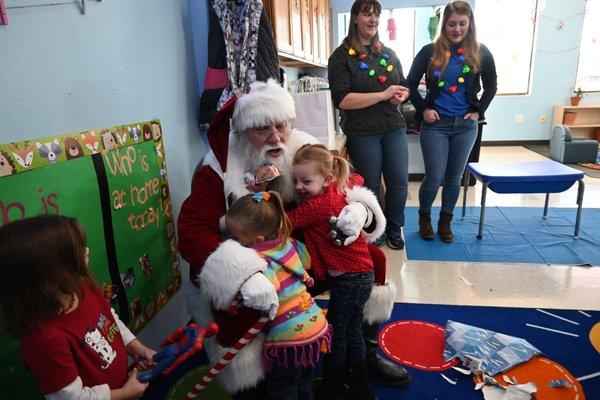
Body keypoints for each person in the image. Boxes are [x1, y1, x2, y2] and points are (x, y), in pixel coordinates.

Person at [178, 79, 407, 399]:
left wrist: (360, 210)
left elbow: (345, 177)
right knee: (240, 301)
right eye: (262, 129)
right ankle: (250, 377)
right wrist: (243, 273)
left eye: (281, 126)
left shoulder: (300, 145)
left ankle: (361, 355)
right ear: (242, 133)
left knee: (375, 260)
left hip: (302, 253)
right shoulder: (219, 168)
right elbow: (191, 233)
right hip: (254, 261)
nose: (275, 137)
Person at [0, 215, 156, 400]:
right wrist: (125, 393)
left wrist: (136, 347)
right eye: (77, 253)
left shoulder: (83, 287)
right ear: (47, 279)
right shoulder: (44, 340)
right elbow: (72, 398)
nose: (87, 251)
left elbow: (109, 320)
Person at [287, 144, 384, 399]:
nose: (298, 187)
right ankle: (361, 387)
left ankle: (333, 387)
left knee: (337, 332)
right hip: (360, 275)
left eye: (305, 181)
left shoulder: (319, 204)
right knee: (352, 331)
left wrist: (261, 201)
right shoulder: (334, 188)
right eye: (294, 180)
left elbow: (287, 222)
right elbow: (356, 178)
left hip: (350, 279)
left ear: (327, 178)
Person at [226, 190, 331, 400]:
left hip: (288, 340)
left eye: (236, 237)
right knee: (303, 379)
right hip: (315, 325)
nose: (232, 241)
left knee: (282, 387)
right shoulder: (288, 243)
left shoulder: (259, 261)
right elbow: (307, 260)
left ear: (257, 239)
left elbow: (265, 292)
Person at [407, 1, 497, 243]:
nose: (456, 29)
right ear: (444, 25)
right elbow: (410, 84)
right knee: (434, 176)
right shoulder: (429, 51)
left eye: (462, 24)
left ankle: (445, 221)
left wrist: (479, 111)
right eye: (451, 24)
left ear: (470, 25)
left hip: (466, 127)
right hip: (436, 125)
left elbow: (491, 86)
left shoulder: (481, 52)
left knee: (454, 178)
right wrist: (423, 109)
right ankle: (424, 216)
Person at [328, 0, 411, 250]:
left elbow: (403, 83)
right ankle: (376, 229)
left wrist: (401, 94)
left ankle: (395, 228)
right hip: (362, 131)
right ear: (355, 18)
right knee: (371, 184)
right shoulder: (341, 56)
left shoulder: (387, 53)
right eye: (367, 14)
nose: (373, 19)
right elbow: (341, 99)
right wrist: (382, 95)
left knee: (398, 181)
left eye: (376, 15)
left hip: (392, 126)